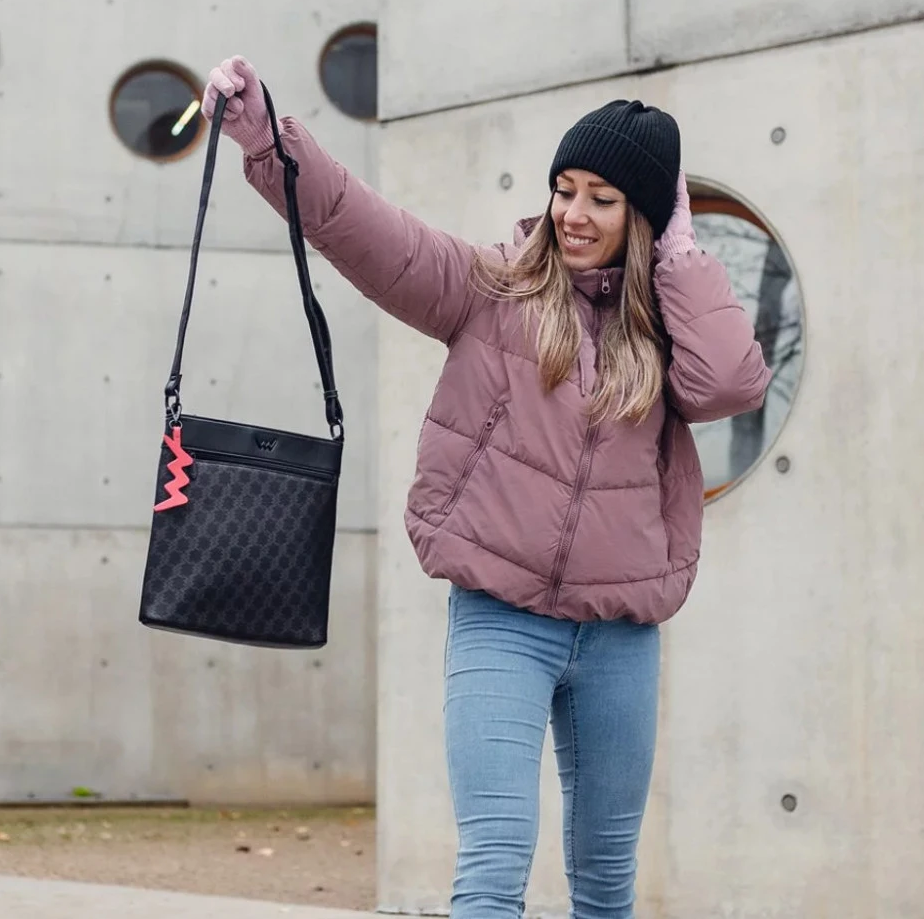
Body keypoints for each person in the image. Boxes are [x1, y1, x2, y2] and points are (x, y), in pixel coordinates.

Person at [203, 55, 771, 919]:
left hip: (619, 637)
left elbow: (730, 381)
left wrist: (683, 257)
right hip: (502, 623)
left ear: (644, 218)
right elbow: (363, 227)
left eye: (603, 199)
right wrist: (267, 142)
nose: (574, 213)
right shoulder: (490, 292)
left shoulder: (664, 339)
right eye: (565, 189)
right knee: (494, 863)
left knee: (606, 878)